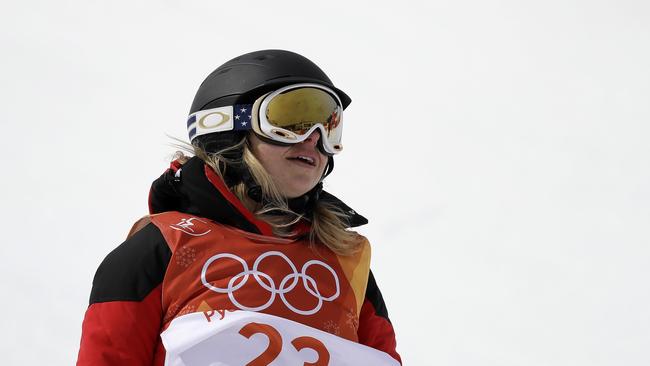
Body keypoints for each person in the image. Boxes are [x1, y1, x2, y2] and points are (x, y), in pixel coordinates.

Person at [77, 49, 401, 365]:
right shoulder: (163, 249)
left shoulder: (345, 262)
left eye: (329, 126)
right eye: (291, 121)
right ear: (229, 129)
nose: (314, 140)